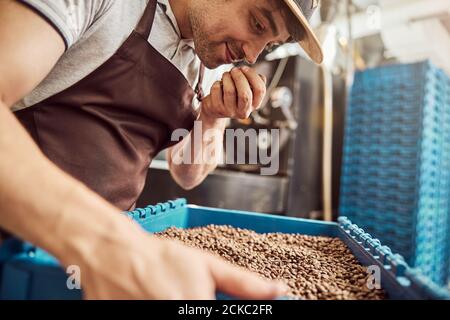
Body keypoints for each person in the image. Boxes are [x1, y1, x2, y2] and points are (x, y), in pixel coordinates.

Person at [0, 0, 323, 299]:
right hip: (17, 250)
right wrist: (105, 244)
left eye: (269, 44)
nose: (252, 56)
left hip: (111, 268)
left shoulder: (208, 62)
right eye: (256, 23)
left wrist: (212, 119)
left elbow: (186, 173)